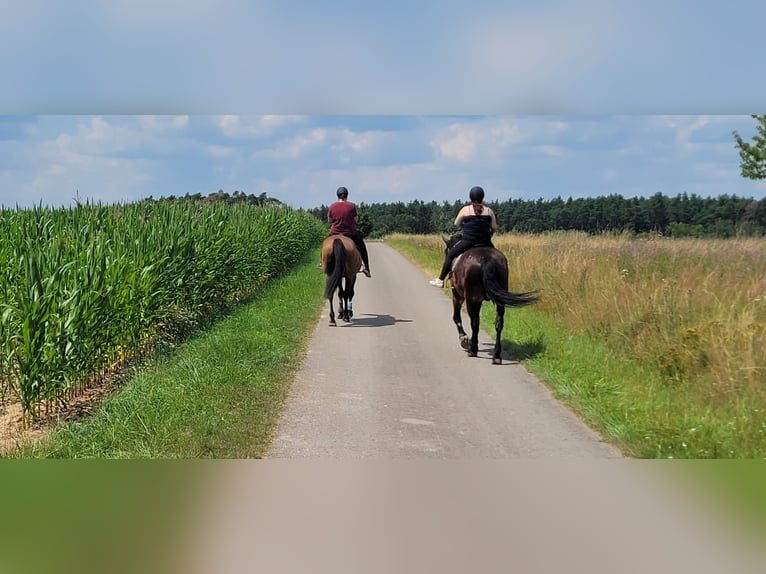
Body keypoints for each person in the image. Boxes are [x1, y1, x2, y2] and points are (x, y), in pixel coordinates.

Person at [429, 186, 498, 287]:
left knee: (450, 255)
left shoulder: (465, 210)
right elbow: (494, 227)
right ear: (483, 197)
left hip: (468, 241)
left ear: (470, 197)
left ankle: (440, 280)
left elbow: (456, 223)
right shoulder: (489, 211)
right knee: (496, 259)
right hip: (486, 242)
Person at [327, 186, 371, 277]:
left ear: (337, 196)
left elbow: (330, 221)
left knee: (325, 244)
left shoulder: (332, 206)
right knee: (362, 247)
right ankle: (366, 268)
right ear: (347, 196)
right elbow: (355, 220)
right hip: (350, 233)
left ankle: (321, 262)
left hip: (334, 232)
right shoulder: (351, 206)